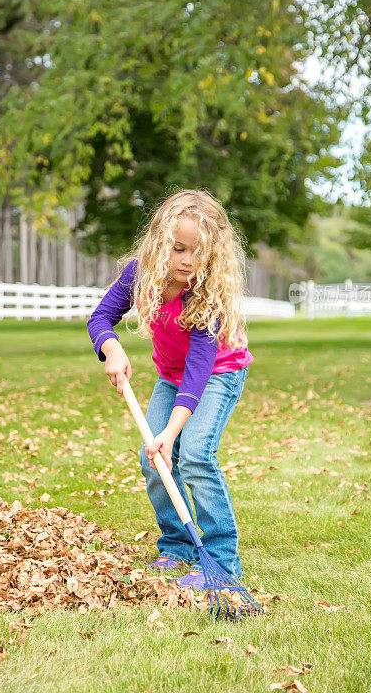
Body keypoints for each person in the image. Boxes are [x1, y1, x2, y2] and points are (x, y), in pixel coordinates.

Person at [87, 189, 254, 590]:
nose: (187, 261)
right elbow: (101, 317)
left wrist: (170, 433)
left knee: (195, 454)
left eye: (198, 252)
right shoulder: (140, 274)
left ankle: (221, 560)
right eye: (178, 249)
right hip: (171, 375)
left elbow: (199, 371)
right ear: (162, 243)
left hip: (218, 374)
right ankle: (178, 544)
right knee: (153, 461)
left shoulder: (206, 292)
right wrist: (111, 348)